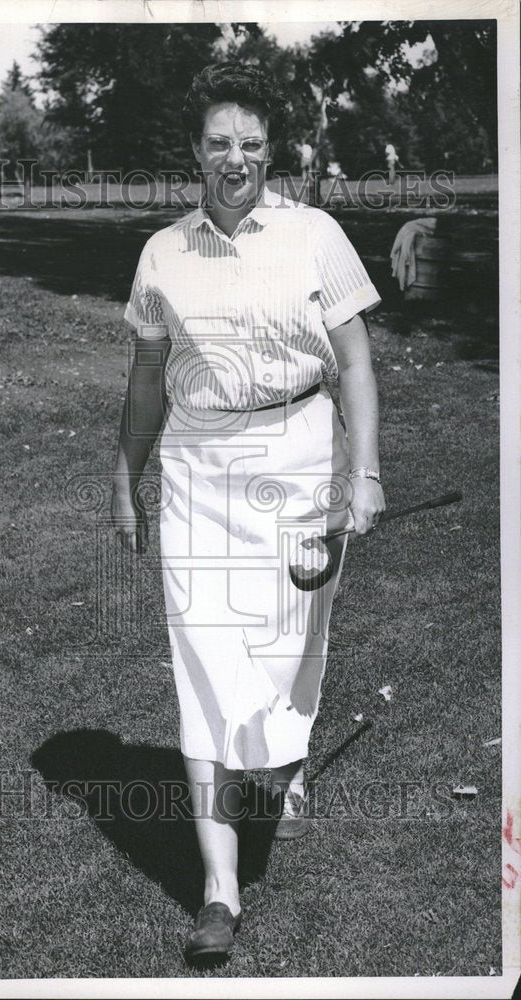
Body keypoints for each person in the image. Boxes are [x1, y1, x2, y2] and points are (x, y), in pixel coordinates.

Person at [112, 62, 385, 961]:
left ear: (273, 150)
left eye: (252, 143)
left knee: (285, 648)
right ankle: (219, 892)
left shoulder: (314, 234)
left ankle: (275, 755)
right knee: (198, 658)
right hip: (196, 466)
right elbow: (147, 379)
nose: (235, 158)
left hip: (299, 455)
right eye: (218, 142)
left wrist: (365, 472)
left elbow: (352, 363)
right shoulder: (163, 253)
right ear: (194, 151)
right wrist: (127, 476)